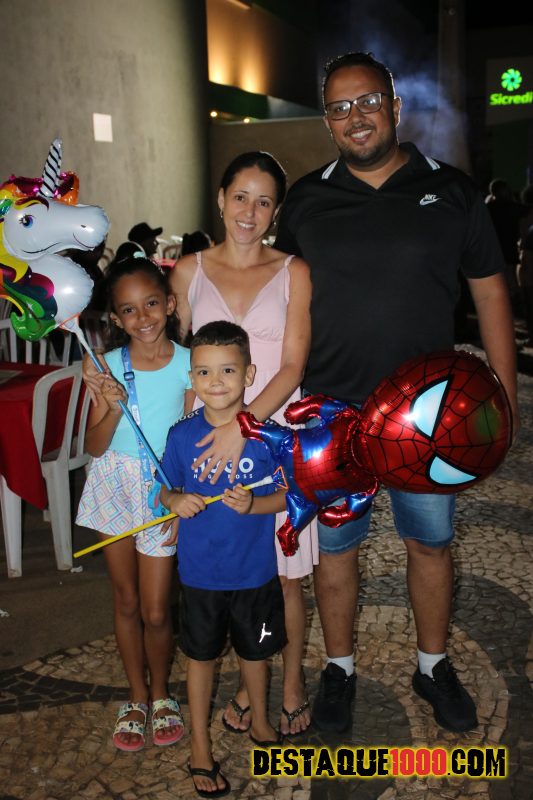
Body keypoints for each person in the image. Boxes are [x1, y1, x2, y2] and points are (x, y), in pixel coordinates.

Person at [274, 51, 519, 735]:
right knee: (336, 549)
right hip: (332, 412)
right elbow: (277, 299)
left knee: (430, 544)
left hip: (427, 417)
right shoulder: (305, 200)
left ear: (394, 107)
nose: (356, 117)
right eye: (340, 107)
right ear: (327, 121)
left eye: (368, 101)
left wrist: (502, 397)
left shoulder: (451, 191)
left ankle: (431, 665)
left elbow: (490, 293)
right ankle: (339, 670)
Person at [170, 151, 317, 737]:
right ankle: (246, 685)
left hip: (271, 437)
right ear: (221, 199)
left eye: (263, 201)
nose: (249, 212)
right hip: (208, 444)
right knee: (224, 568)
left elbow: (292, 364)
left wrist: (243, 426)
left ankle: (291, 684)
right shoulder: (189, 270)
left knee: (284, 575)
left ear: (276, 211)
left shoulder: (293, 271)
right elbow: (177, 361)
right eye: (240, 197)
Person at [160, 321, 287, 798]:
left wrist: (254, 505)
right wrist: (174, 500)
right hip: (200, 577)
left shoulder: (269, 437)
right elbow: (163, 489)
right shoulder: (180, 436)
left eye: (228, 370)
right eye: (204, 372)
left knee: (257, 654)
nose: (215, 382)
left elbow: (290, 494)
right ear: (191, 377)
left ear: (249, 374)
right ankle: (200, 746)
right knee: (200, 659)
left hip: (255, 574)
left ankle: (261, 723)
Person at [76, 256, 194, 751]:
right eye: (128, 310)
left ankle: (162, 692)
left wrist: (180, 501)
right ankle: (137, 696)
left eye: (151, 303)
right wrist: (110, 404)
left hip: (162, 489)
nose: (142, 317)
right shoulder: (103, 365)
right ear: (116, 319)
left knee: (157, 609)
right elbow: (94, 445)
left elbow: (191, 441)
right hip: (113, 482)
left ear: (169, 303)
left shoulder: (191, 363)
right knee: (125, 600)